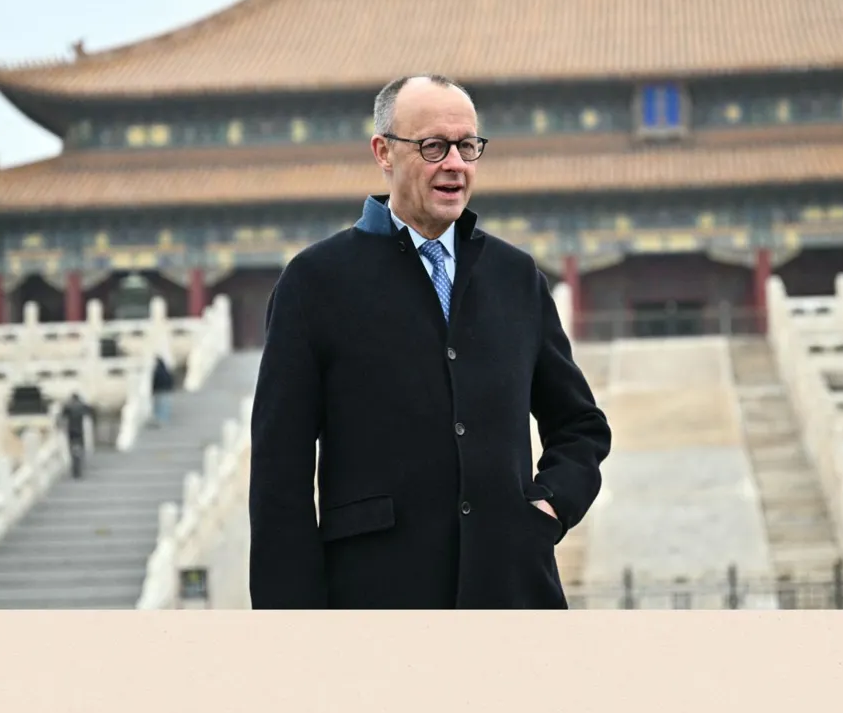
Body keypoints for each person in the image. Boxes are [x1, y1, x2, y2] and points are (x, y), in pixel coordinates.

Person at [248, 75, 613, 609]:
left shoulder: (515, 277)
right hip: (376, 598)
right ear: (383, 152)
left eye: (468, 146)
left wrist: (551, 506)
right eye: (434, 147)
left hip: (512, 589)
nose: (455, 164)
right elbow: (280, 470)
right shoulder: (315, 282)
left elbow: (579, 425)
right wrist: (292, 622)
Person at [58, 392, 97, 479]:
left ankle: (75, 468)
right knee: (80, 448)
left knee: (72, 449)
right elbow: (91, 413)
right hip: (80, 430)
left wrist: (59, 426)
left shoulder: (68, 406)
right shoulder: (82, 406)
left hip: (71, 431)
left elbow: (61, 417)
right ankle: (79, 467)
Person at [151, 356, 175, 426]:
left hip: (159, 389)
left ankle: (159, 420)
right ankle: (164, 419)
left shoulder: (156, 370)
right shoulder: (165, 370)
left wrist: (153, 389)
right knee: (165, 404)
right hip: (166, 389)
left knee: (159, 404)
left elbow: (155, 380)